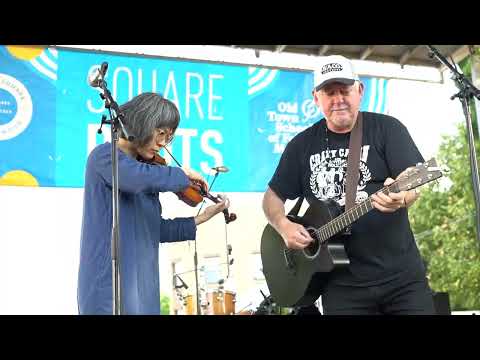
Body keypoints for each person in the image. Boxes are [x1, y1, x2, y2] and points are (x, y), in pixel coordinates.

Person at [262, 55, 435, 315]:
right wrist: (284, 226)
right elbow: (271, 199)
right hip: (340, 286)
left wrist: (404, 196)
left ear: (360, 91)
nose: (338, 99)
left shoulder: (387, 129)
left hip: (401, 281)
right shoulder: (300, 146)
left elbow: (413, 178)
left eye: (344, 90)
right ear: (315, 98)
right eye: (329, 92)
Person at [78, 92, 229, 315]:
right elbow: (135, 178)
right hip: (108, 288)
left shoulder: (148, 174)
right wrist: (182, 174)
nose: (162, 143)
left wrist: (202, 216)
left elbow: (154, 229)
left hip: (143, 290)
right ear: (141, 123)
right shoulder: (104, 157)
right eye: (160, 133)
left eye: (168, 137)